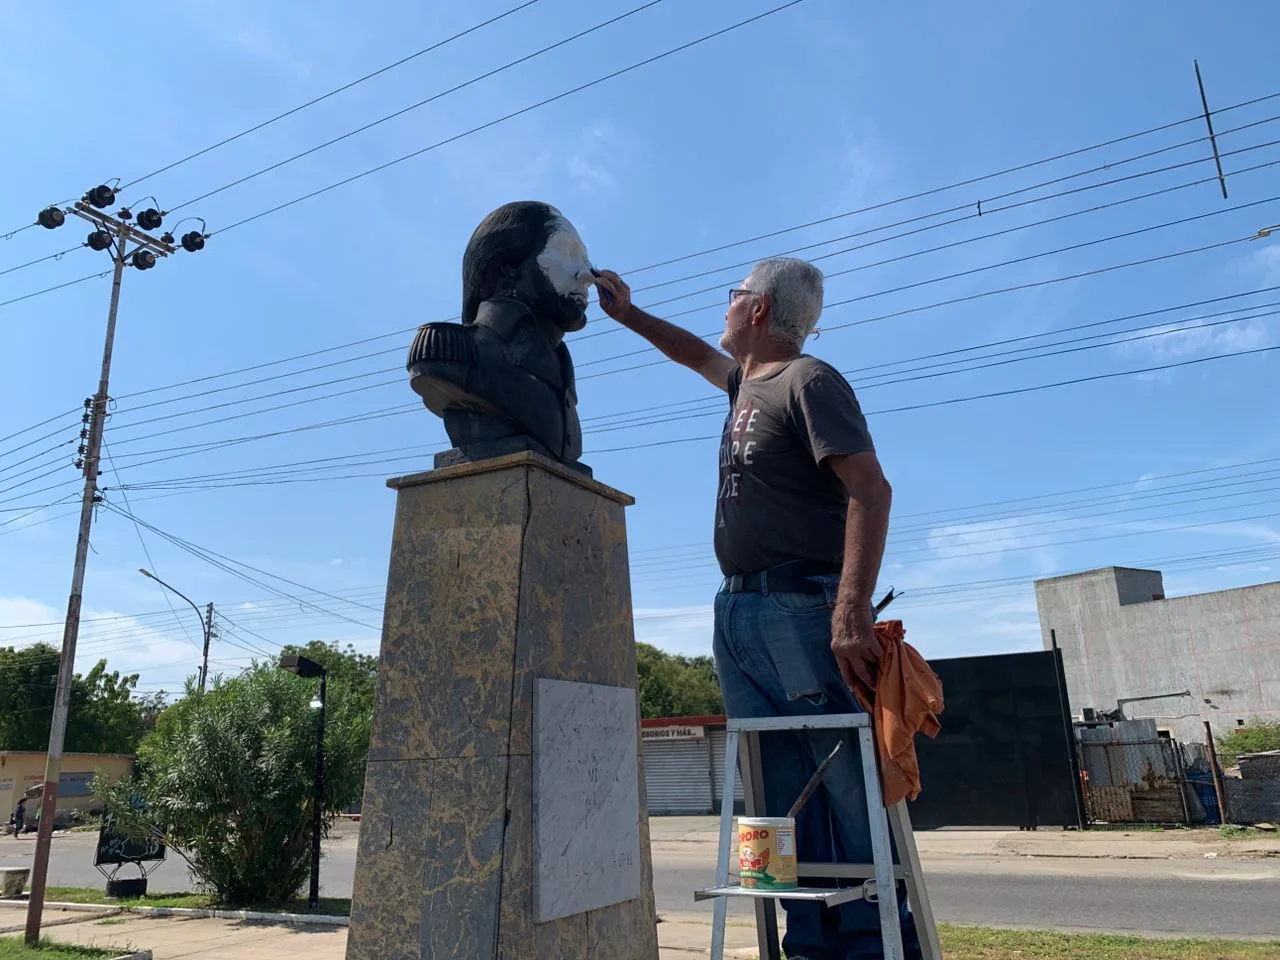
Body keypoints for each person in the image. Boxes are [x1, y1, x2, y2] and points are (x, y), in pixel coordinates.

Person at [594, 259, 920, 960]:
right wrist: (628, 314)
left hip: (802, 604)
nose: (726, 307)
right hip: (738, 612)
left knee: (839, 776)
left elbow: (871, 488)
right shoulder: (747, 381)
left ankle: (876, 938)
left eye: (734, 296)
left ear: (761, 309)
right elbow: (696, 354)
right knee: (769, 781)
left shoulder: (811, 380)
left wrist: (850, 610)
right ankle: (801, 939)